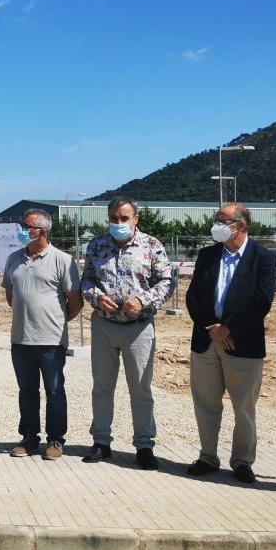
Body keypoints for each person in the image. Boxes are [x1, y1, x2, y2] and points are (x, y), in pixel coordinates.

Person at [184, 204, 276, 483]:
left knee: (244, 407)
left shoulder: (263, 258)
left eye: (223, 220)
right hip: (206, 341)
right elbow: (193, 296)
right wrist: (211, 327)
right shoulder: (207, 255)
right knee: (206, 403)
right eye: (216, 220)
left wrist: (228, 328)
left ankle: (242, 461)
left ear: (241, 225)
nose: (217, 225)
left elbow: (262, 301)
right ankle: (207, 456)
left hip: (243, 344)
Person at [80, 197, 173, 469]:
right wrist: (96, 297)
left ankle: (144, 445)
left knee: (141, 389)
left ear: (136, 219)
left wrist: (143, 301)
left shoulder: (152, 246)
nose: (118, 223)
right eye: (113, 218)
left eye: (124, 218)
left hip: (138, 328)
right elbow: (86, 279)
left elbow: (167, 281)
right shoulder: (97, 245)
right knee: (102, 387)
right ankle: (101, 442)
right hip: (105, 325)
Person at [2, 209, 83, 460]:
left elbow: (75, 302)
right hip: (21, 339)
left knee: (55, 391)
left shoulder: (62, 260)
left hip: (51, 340)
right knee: (27, 391)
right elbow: (10, 296)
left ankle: (56, 440)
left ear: (43, 231)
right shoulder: (14, 259)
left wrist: (54, 321)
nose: (21, 230)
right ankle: (29, 437)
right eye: (21, 225)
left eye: (27, 226)